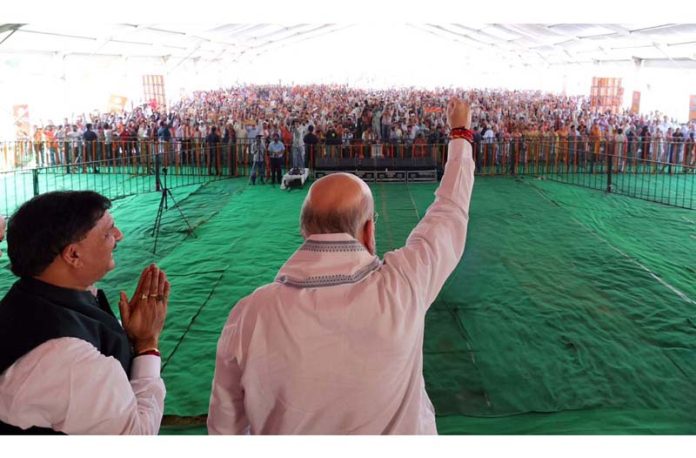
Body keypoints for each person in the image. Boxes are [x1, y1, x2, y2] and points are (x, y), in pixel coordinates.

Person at [208, 97, 475, 434]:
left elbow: (224, 428)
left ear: (305, 231)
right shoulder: (403, 284)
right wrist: (460, 132)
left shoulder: (250, 314)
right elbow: (450, 212)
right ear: (368, 230)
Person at [0, 191, 169, 434]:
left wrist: (125, 333)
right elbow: (136, 435)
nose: (118, 236)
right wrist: (146, 345)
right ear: (73, 255)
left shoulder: (31, 295)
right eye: (108, 232)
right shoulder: (66, 357)